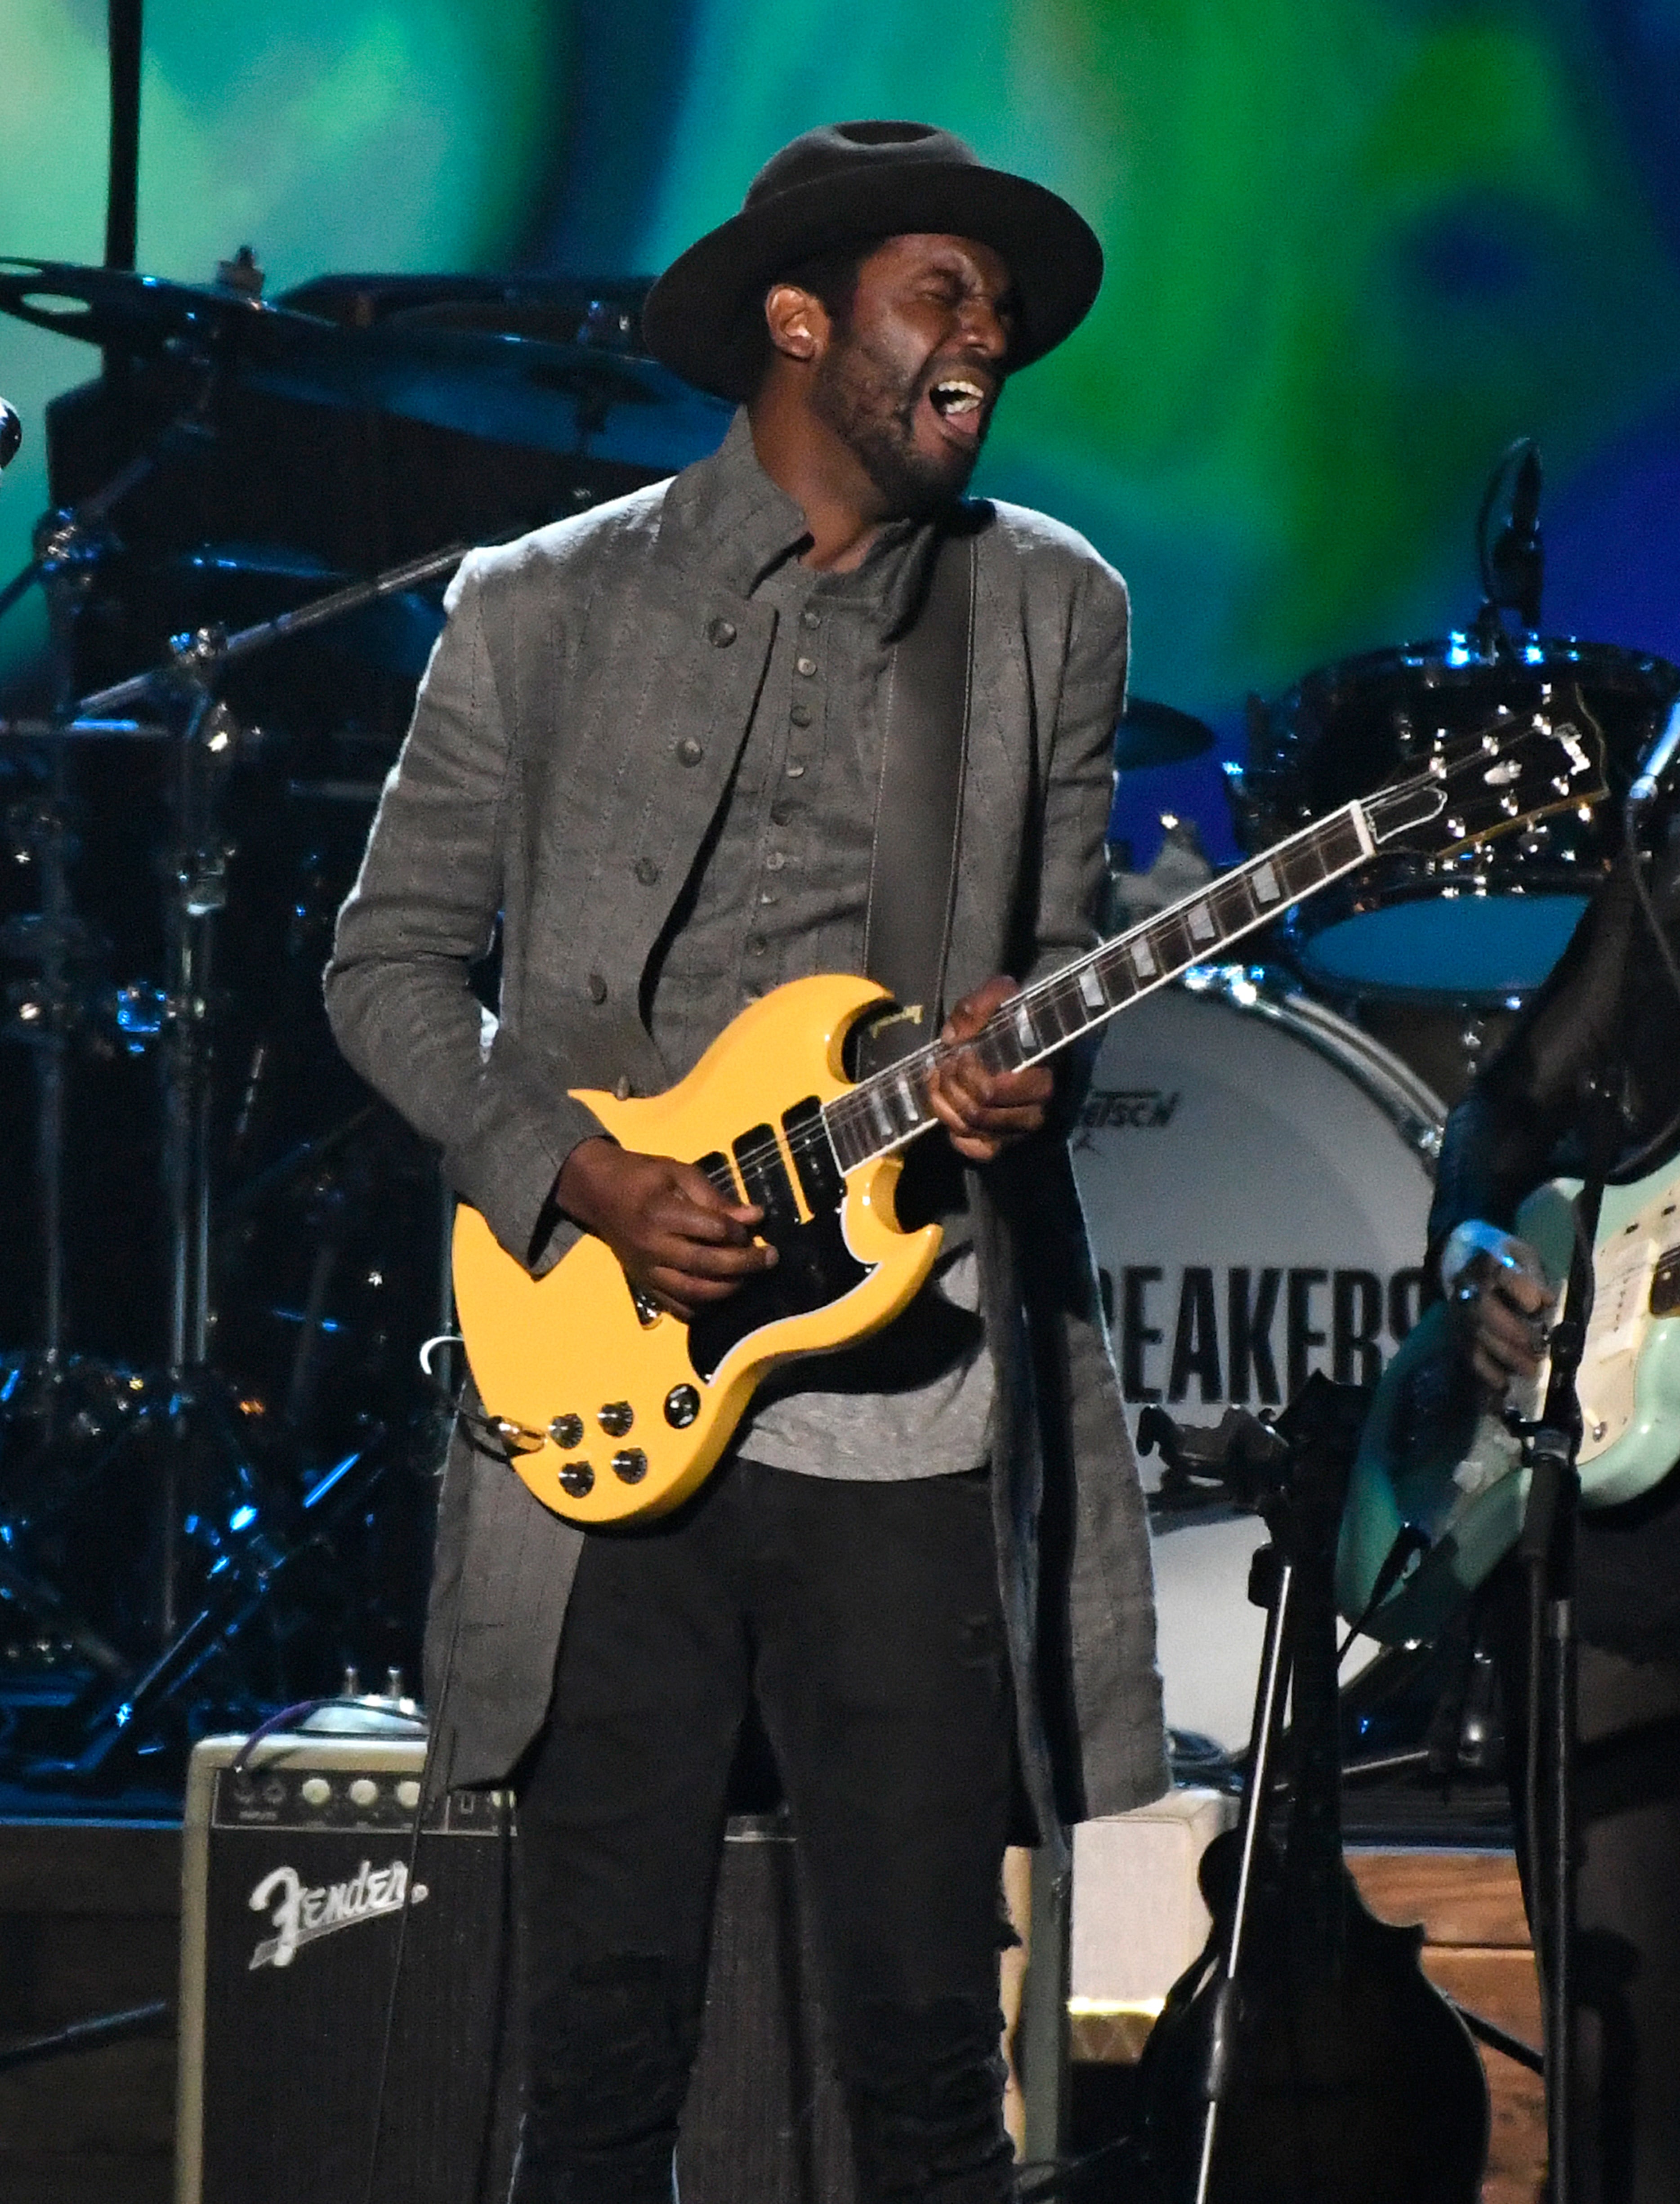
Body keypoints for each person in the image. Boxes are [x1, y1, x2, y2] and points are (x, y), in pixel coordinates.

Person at [325, 120, 1166, 2204]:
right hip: (610, 1394)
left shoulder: (1052, 607)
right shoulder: (537, 607)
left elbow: (1052, 962)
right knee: (600, 2045)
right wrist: (579, 1176)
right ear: (802, 318)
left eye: (1005, 308)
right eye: (941, 293)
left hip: (907, 1413)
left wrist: (1017, 1069)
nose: (989, 336)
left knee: (919, 2050)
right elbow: (388, 963)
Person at [1434, 719, 1680, 2204]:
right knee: (1620, 2092)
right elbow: (1499, 1115)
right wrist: (1470, 1253)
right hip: (1634, 1546)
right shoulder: (1679, 879)